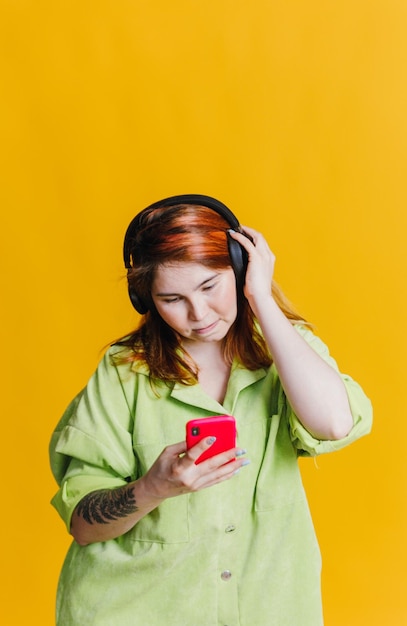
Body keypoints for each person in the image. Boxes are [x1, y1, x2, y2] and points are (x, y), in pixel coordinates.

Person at [49, 194, 372, 626]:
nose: (198, 314)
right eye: (171, 298)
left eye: (209, 286)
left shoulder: (285, 351)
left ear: (240, 269)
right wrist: (153, 488)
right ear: (147, 301)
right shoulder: (124, 372)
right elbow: (84, 525)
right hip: (133, 611)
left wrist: (261, 299)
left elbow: (333, 422)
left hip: (266, 609)